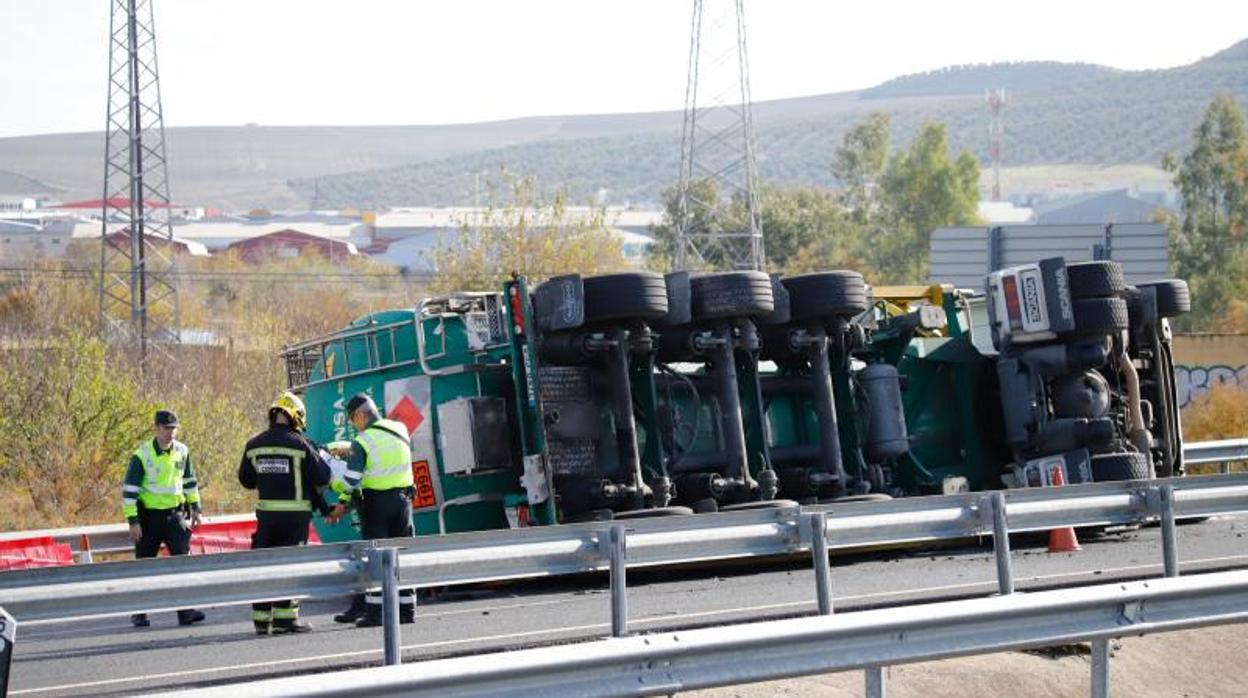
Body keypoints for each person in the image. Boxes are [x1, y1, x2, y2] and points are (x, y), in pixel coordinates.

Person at [238, 391, 333, 635]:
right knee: (290, 566)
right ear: (296, 416)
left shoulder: (253, 444)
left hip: (267, 519)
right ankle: (286, 619)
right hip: (295, 518)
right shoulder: (300, 444)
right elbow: (323, 477)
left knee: (263, 567)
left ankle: (261, 620)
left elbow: (246, 481)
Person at [326, 393, 415, 627]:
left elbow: (352, 481)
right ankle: (407, 609)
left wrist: (332, 482)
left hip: (376, 505)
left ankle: (375, 613)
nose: (354, 425)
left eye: (353, 420)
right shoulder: (400, 429)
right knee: (401, 556)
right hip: (404, 502)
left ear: (360, 415)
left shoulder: (363, 442)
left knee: (374, 558)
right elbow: (380, 466)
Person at [122, 409, 205, 628]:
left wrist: (196, 508)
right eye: (167, 428)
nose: (171, 433)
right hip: (148, 519)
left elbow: (189, 481)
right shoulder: (142, 455)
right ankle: (139, 613)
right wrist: (133, 521)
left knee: (182, 563)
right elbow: (130, 490)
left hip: (175, 516)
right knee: (144, 567)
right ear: (157, 428)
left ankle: (185, 611)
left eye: (174, 428)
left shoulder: (182, 451)